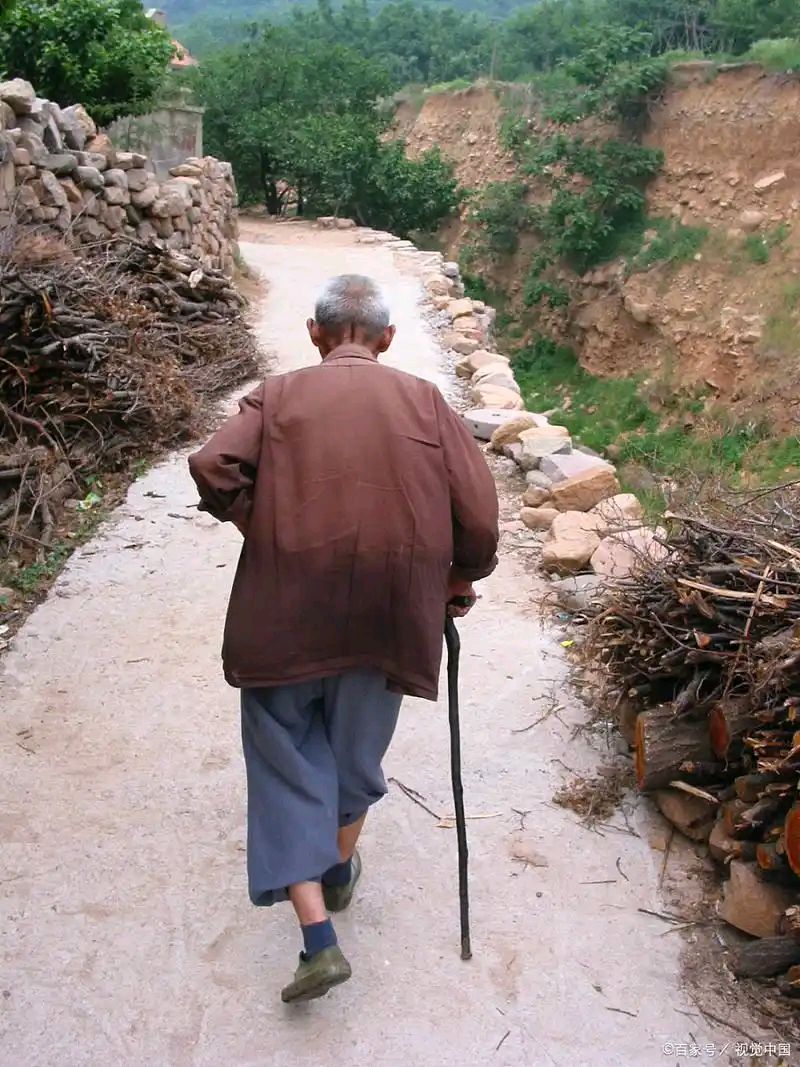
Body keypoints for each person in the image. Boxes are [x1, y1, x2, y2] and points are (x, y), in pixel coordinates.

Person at [188, 273, 499, 1003]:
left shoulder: (277, 396)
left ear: (314, 333)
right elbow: (480, 518)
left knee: (286, 758)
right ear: (387, 338)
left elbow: (212, 465)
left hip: (284, 616)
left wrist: (261, 523)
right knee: (355, 758)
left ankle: (318, 938)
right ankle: (335, 868)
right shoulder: (426, 401)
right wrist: (458, 577)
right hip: (388, 617)